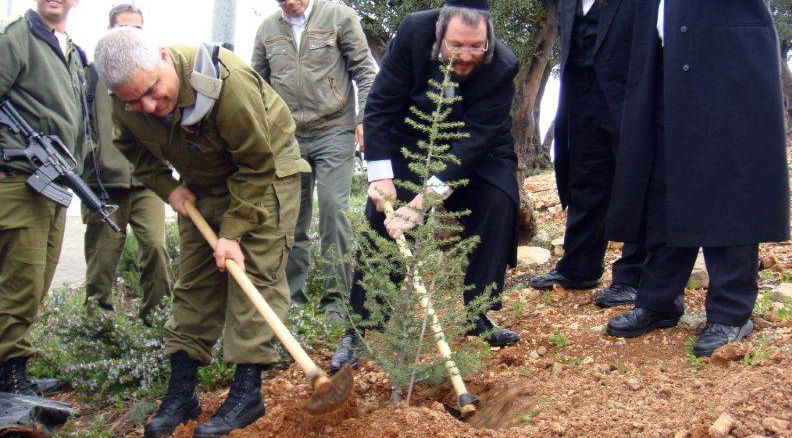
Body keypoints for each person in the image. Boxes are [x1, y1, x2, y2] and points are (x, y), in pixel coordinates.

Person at [94, 28, 309, 437]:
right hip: (201, 182)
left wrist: (232, 233)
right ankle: (181, 393)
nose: (150, 106)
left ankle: (247, 394)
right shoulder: (126, 99)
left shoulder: (227, 83)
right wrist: (167, 187)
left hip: (265, 176)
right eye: (134, 101)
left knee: (254, 277)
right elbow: (133, 149)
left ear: (161, 55)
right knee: (194, 282)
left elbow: (258, 163)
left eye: (154, 91)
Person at [330, 0, 521, 372]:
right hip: (411, 138)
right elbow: (382, 104)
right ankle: (360, 326)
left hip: (478, 147)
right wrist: (381, 175)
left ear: (488, 37)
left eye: (476, 47)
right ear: (440, 32)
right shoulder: (414, 33)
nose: (466, 56)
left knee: (499, 201)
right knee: (382, 218)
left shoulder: (503, 65)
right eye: (456, 46)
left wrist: (423, 202)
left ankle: (478, 314)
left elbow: (475, 142)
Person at [604, 0, 789, 357]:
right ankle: (658, 300)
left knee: (731, 178)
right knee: (662, 180)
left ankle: (730, 313)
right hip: (663, 56)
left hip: (728, 58)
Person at [252, 0, 377, 319]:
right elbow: (254, 84)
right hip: (288, 135)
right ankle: (292, 301)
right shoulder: (267, 28)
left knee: (334, 208)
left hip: (335, 128)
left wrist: (365, 119)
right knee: (292, 217)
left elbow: (365, 70)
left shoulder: (338, 16)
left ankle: (337, 301)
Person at [528, 0, 646, 308]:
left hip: (629, 101)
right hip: (582, 100)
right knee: (586, 182)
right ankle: (580, 267)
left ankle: (633, 277)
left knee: (634, 187)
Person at [0, 0, 89, 395]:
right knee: (20, 279)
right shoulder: (18, 38)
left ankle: (14, 366)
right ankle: (9, 373)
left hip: (51, 182)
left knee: (37, 280)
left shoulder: (68, 46)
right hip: (20, 183)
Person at [82, 4, 171, 321]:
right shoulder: (91, 76)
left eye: (136, 29)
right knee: (102, 262)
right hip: (104, 187)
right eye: (123, 28)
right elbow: (78, 126)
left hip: (148, 182)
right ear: (109, 31)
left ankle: (157, 322)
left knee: (156, 250)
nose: (129, 34)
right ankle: (96, 331)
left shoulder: (154, 75)